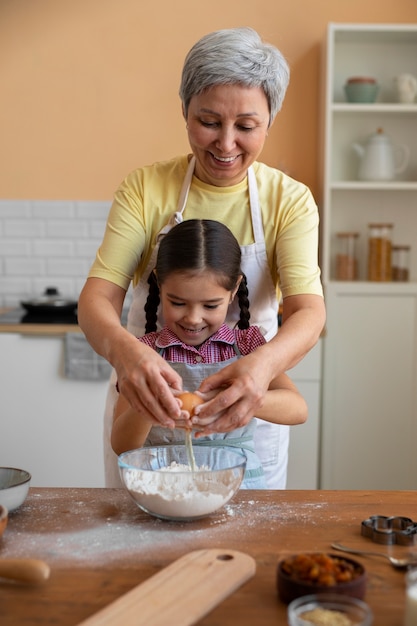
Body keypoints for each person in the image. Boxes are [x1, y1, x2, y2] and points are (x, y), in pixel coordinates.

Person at [77, 26, 325, 489]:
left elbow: (308, 311)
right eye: (208, 122)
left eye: (246, 127)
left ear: (270, 119)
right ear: (184, 110)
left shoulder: (288, 201)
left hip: (248, 439)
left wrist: (261, 371)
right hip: (150, 432)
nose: (226, 144)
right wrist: (128, 357)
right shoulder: (146, 188)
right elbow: (96, 299)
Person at [111, 219, 308, 489]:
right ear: (159, 285)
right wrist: (152, 405)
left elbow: (298, 409)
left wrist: (240, 400)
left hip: (240, 490)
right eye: (177, 302)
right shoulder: (144, 354)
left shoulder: (249, 346)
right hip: (165, 489)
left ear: (233, 291)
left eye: (210, 305)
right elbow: (121, 444)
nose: (193, 318)